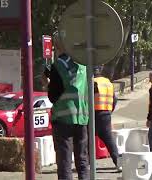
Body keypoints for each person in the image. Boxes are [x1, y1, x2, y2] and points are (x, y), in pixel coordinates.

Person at [45, 32, 89, 180]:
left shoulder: (58, 65)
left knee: (65, 164)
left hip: (63, 121)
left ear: (57, 45)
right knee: (82, 161)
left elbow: (53, 96)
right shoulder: (83, 65)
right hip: (82, 120)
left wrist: (48, 84)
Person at [93, 66, 120, 170]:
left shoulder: (93, 82)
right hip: (106, 114)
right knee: (109, 140)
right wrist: (109, 110)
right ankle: (118, 162)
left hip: (94, 114)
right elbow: (115, 99)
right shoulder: (107, 82)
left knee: (85, 139)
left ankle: (86, 165)